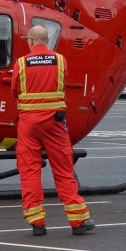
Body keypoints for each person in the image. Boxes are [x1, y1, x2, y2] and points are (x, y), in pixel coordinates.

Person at [11, 25, 94, 236]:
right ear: (46, 40)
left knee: (29, 171)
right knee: (64, 170)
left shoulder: (21, 63)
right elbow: (62, 84)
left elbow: (14, 91)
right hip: (54, 123)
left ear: (30, 41)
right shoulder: (60, 61)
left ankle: (36, 222)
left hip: (29, 125)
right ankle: (78, 221)